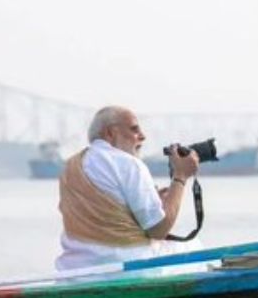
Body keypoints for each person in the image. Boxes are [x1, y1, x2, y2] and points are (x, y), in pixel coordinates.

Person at [56, 106, 200, 271]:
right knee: (193, 246)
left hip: (74, 269)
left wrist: (153, 201)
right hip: (126, 267)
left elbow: (104, 215)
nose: (143, 136)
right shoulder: (129, 164)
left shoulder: (71, 166)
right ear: (110, 133)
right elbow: (158, 230)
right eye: (134, 129)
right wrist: (180, 176)